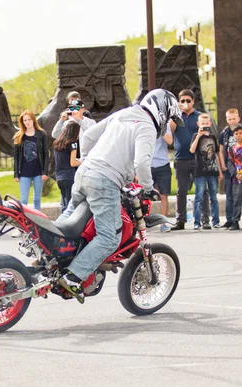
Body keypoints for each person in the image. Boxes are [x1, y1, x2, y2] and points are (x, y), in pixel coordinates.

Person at [59, 89, 183, 302]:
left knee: (69, 222)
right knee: (109, 237)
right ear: (162, 111)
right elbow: (142, 163)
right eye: (169, 116)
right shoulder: (146, 126)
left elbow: (88, 135)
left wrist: (89, 160)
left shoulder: (123, 114)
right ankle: (73, 276)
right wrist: (147, 187)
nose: (168, 121)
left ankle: (53, 258)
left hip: (83, 174)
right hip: (104, 181)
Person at [170, 89, 209, 230]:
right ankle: (180, 220)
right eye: (182, 101)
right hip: (181, 158)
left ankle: (205, 218)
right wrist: (176, 114)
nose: (185, 103)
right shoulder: (176, 117)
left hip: (198, 157)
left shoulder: (199, 116)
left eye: (188, 100)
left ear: (193, 101)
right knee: (181, 191)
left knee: (202, 189)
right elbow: (171, 130)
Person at [189, 113, 223, 230]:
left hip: (212, 171)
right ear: (198, 124)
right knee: (198, 198)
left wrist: (220, 171)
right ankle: (197, 222)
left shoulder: (213, 137)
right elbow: (192, 150)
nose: (204, 125)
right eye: (202, 124)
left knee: (214, 198)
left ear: (210, 123)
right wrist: (198, 136)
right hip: (200, 172)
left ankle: (216, 221)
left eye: (206, 123)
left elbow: (216, 154)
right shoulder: (195, 136)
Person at [218, 108, 242, 228]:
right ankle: (231, 219)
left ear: (238, 118)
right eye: (229, 119)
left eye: (234, 118)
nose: (232, 121)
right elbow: (221, 150)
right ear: (226, 119)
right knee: (230, 195)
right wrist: (223, 165)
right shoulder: (224, 132)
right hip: (230, 168)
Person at [13, 110, 50, 211]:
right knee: (24, 200)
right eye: (25, 120)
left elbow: (46, 154)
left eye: (29, 119)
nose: (27, 122)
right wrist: (16, 174)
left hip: (38, 172)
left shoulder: (41, 134)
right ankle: (24, 223)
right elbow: (16, 157)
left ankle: (38, 223)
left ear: (33, 120)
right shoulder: (19, 136)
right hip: (24, 173)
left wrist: (45, 171)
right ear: (22, 122)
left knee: (37, 199)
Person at [53, 121, 82, 213]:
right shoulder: (73, 143)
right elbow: (73, 163)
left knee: (64, 204)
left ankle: (61, 223)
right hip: (70, 177)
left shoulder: (57, 143)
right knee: (70, 206)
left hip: (59, 177)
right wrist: (81, 161)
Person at [151, 125, 173, 232]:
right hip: (147, 164)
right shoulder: (145, 124)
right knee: (144, 196)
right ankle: (142, 223)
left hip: (162, 163)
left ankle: (163, 223)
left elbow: (170, 141)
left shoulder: (165, 126)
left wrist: (161, 129)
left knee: (163, 195)